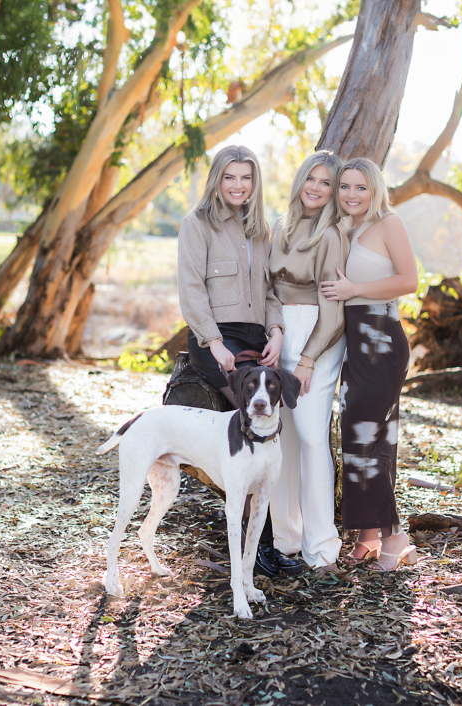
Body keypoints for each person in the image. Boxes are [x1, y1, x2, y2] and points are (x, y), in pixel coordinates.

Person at [176, 144, 303, 578]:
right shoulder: (197, 226)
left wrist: (276, 331)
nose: (238, 185)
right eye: (230, 177)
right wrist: (213, 342)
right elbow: (191, 289)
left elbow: (270, 292)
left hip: (255, 339)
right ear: (217, 179)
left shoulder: (259, 230)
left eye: (246, 178)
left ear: (255, 183)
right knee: (252, 434)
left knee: (267, 441)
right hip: (218, 340)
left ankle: (260, 549)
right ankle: (259, 551)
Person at [320, 157, 419, 572]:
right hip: (356, 345)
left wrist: (353, 288)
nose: (351, 194)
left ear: (375, 189)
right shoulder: (350, 228)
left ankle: (396, 538)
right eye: (345, 187)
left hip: (381, 342)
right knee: (365, 441)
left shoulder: (389, 223)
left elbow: (409, 280)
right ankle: (367, 537)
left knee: (364, 442)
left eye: (360, 187)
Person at [267, 150, 347, 571]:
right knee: (284, 438)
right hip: (282, 335)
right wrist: (275, 333)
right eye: (310, 179)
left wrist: (309, 358)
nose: (315, 188)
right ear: (300, 181)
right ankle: (287, 539)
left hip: (320, 338)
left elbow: (334, 309)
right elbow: (269, 291)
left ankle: (322, 549)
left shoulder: (332, 234)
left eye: (326, 183)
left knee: (313, 438)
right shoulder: (280, 227)